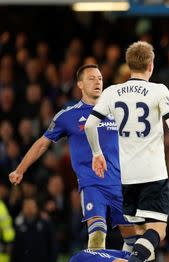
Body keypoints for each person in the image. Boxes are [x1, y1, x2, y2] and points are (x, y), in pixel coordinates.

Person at [84, 41, 169, 262]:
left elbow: (90, 125)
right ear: (150, 65)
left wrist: (97, 154)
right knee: (158, 231)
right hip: (153, 173)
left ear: (129, 65)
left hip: (127, 175)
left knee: (140, 235)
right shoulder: (158, 90)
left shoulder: (112, 92)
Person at [8, 64, 135, 251]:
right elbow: (42, 143)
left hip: (121, 184)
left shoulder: (117, 110)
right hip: (92, 185)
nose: (97, 82)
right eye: (91, 78)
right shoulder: (68, 116)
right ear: (80, 84)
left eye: (100, 78)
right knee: (98, 233)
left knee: (133, 238)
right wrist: (20, 169)